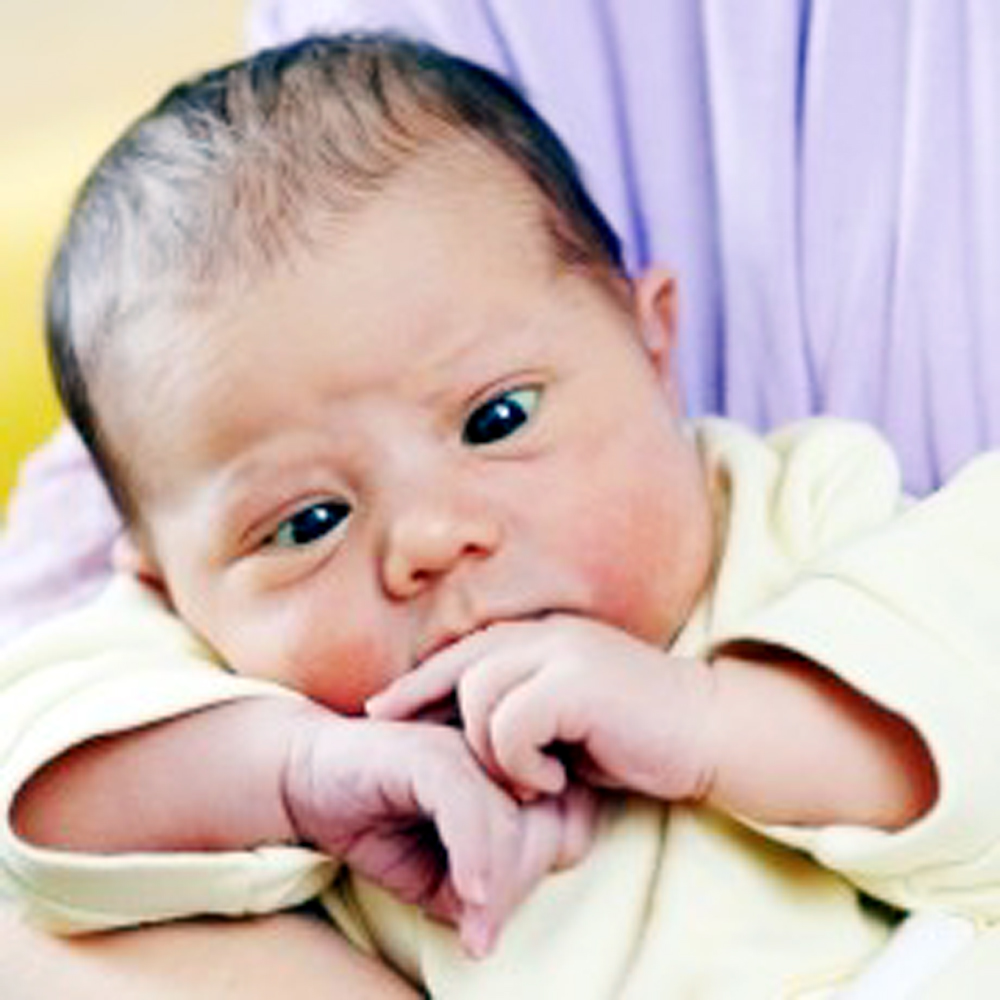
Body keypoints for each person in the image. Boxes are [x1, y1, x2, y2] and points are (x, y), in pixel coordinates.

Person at [5, 30, 1000, 997]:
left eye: (497, 419)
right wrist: (301, 774)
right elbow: (38, 809)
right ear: (159, 578)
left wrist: (703, 721)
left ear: (652, 346)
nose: (429, 539)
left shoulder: (798, 510)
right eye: (308, 523)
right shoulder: (221, 679)